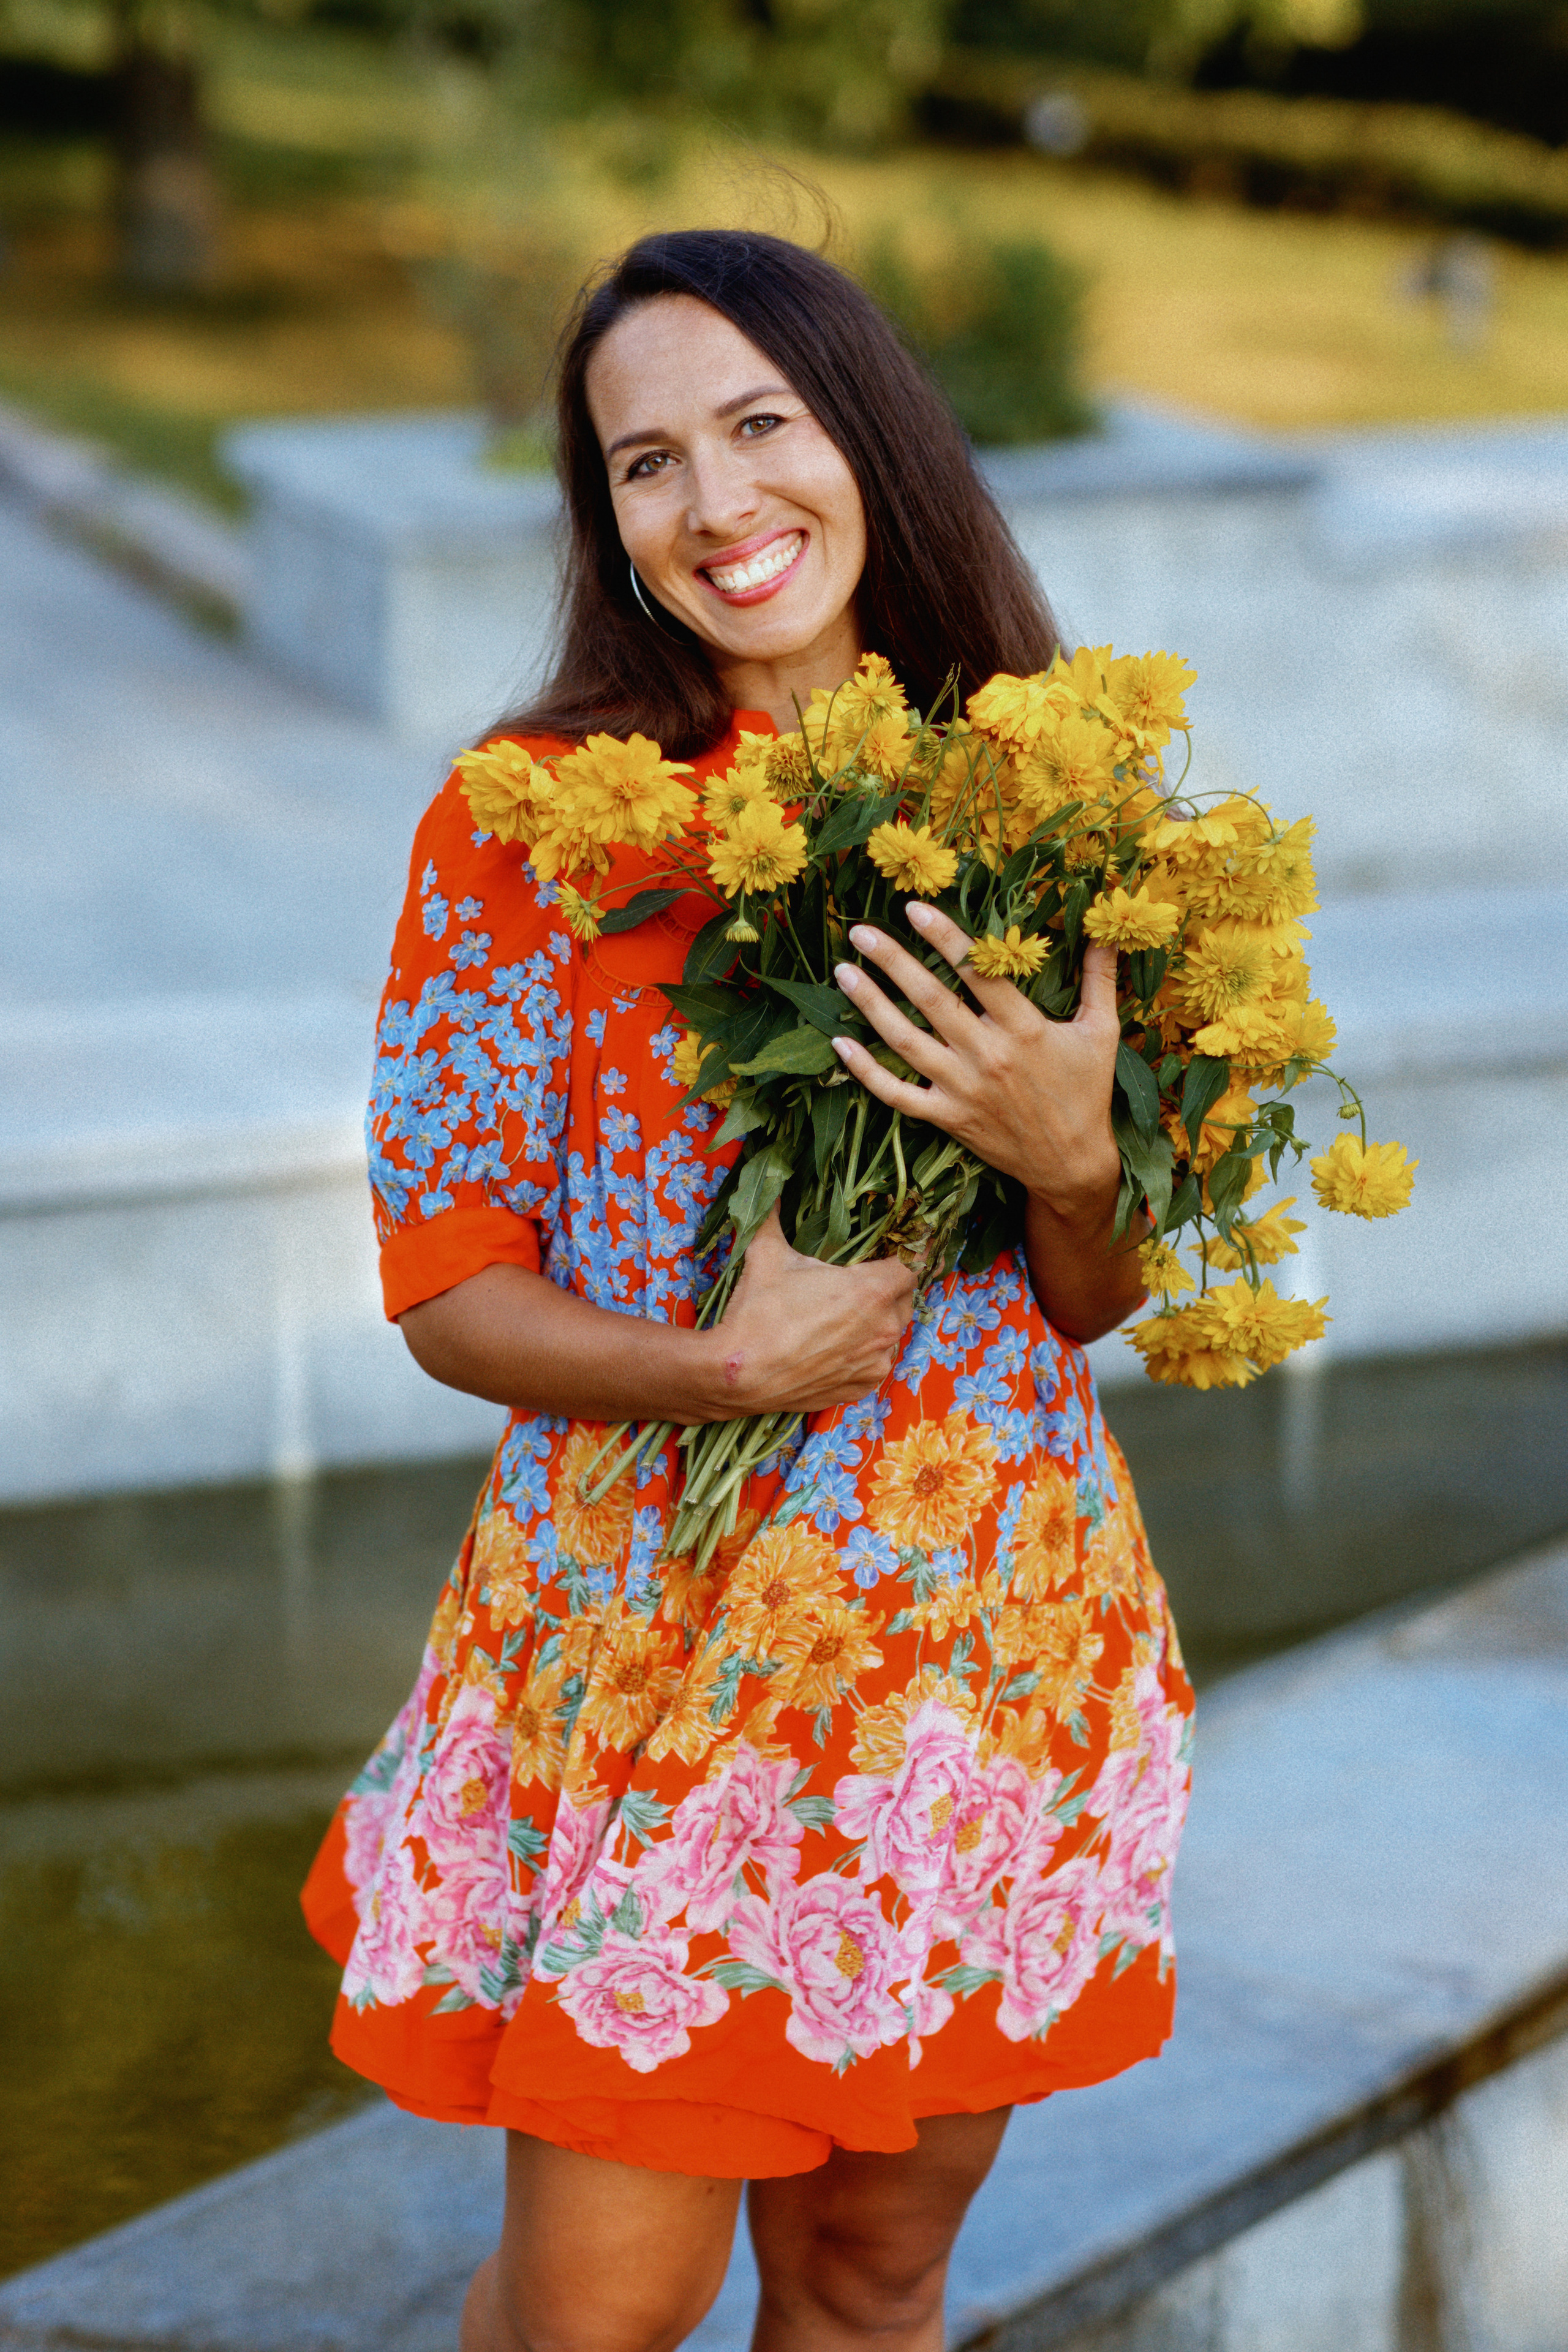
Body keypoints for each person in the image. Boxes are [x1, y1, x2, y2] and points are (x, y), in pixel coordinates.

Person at [301, 228, 1193, 2352]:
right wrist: (727, 1366)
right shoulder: (527, 827)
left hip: (972, 1659)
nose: (717, 504)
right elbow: (445, 1289)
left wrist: (1076, 1158)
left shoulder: (1053, 800)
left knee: (875, 2280)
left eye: (760, 425)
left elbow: (1090, 1295)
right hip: (652, 1665)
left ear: (864, 432)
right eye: (646, 464)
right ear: (606, 520)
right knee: (597, 2317)